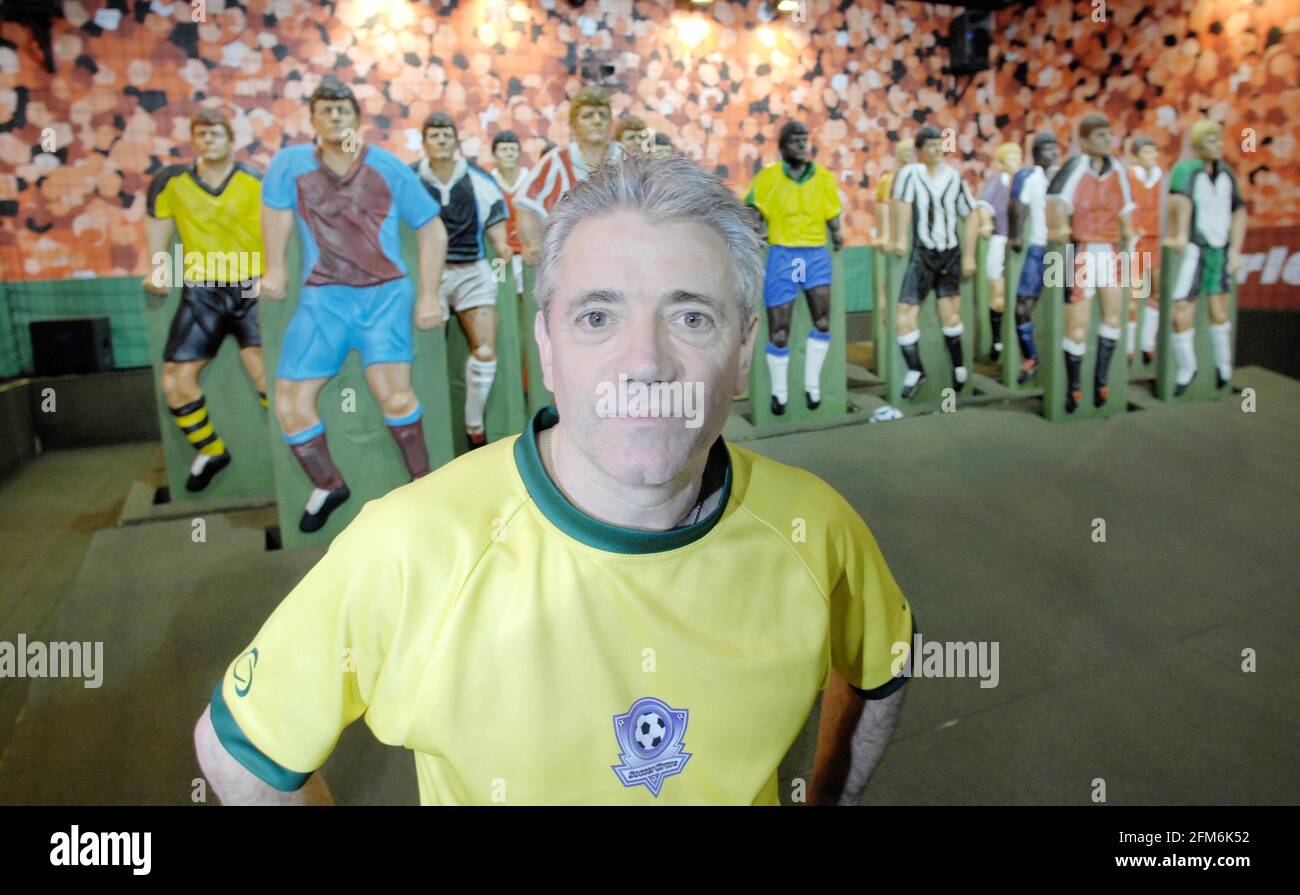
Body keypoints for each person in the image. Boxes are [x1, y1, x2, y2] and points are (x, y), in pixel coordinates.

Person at [194, 155, 914, 806]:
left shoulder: (816, 528)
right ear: (545, 344)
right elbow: (241, 752)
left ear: (744, 344)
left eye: (692, 315)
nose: (644, 363)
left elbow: (881, 665)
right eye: (597, 316)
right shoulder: (409, 543)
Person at [259, 77, 448, 532]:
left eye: (342, 109)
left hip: (384, 296)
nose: (334, 117)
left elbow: (432, 229)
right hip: (323, 298)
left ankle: (423, 484)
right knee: (289, 401)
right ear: (313, 120)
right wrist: (276, 269)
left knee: (395, 392)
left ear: (356, 119)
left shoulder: (388, 167)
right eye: (325, 110)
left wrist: (427, 295)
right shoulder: (290, 166)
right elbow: (277, 213)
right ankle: (328, 484)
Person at [144, 108, 266, 492]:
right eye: (202, 133)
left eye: (216, 133)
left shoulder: (255, 180)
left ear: (231, 139)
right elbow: (159, 222)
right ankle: (211, 450)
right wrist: (158, 265)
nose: (209, 140)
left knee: (270, 377)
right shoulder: (172, 182)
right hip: (202, 288)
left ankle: (289, 448)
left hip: (251, 285)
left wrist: (273, 273)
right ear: (193, 139)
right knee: (176, 379)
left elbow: (279, 226)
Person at [412, 113, 512, 449]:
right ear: (424, 141)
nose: (440, 140)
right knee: (425, 355)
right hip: (429, 273)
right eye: (434, 134)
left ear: (455, 141)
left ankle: (474, 428)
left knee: (485, 351)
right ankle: (430, 430)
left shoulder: (478, 180)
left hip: (472, 269)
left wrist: (502, 245)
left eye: (446, 134)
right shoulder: (409, 179)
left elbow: (496, 218)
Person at [743, 120, 843, 415]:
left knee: (822, 321)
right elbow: (753, 208)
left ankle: (812, 386)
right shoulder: (769, 177)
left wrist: (837, 234)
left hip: (814, 255)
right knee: (779, 331)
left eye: (805, 139)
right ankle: (780, 394)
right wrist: (754, 230)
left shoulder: (823, 178)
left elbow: (833, 214)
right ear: (782, 146)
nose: (801, 145)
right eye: (795, 140)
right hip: (784, 256)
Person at [1047, 112, 1134, 413]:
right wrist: (1059, 231)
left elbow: (1126, 213)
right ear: (1083, 141)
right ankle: (1073, 387)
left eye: (1109, 135)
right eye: (1099, 136)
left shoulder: (1118, 171)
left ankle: (1101, 380)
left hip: (1110, 251)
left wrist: (1130, 239)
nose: (1107, 141)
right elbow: (1055, 203)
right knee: (1078, 328)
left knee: (1113, 318)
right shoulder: (1075, 168)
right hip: (1081, 251)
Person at [889, 125, 978, 399]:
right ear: (919, 151)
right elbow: (901, 204)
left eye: (940, 145)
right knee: (904, 315)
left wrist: (970, 254)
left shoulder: (953, 177)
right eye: (930, 145)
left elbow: (971, 214)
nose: (937, 150)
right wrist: (900, 238)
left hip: (949, 252)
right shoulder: (910, 174)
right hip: (923, 252)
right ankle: (916, 369)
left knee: (950, 313)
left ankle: (960, 368)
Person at [1164, 120, 1247, 396]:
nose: (1218, 146)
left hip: (1219, 251)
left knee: (1219, 311)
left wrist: (1235, 250)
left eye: (1219, 140)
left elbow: (1238, 211)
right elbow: (1179, 202)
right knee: (1181, 311)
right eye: (1211, 140)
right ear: (1198, 143)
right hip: (1194, 250)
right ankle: (1188, 368)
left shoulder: (1227, 174)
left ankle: (1223, 368)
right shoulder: (1186, 171)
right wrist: (1178, 235)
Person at [514, 85, 627, 267]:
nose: (597, 121)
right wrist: (531, 244)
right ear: (573, 126)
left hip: (617, 258)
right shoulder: (557, 161)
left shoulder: (625, 159)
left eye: (602, 115)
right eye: (588, 116)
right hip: (569, 262)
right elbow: (526, 203)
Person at [1006, 132, 1060, 384]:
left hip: (1064, 251)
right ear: (1037, 153)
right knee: (1023, 305)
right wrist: (1015, 236)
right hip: (1039, 248)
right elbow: (1017, 205)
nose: (1053, 154)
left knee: (1066, 306)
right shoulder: (1029, 177)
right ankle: (1031, 357)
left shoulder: (1067, 175)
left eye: (1055, 148)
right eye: (1047, 149)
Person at [976, 142, 1023, 363]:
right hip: (1000, 240)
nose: (1017, 162)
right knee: (999, 295)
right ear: (1002, 163)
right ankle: (997, 340)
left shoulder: (1026, 182)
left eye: (1019, 157)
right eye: (1012, 158)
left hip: (1020, 244)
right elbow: (983, 206)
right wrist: (985, 223)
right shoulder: (997, 181)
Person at [1126, 135, 1164, 365]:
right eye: (1148, 151)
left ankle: (1148, 344)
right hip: (1136, 242)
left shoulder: (1162, 177)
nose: (1153, 156)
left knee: (1156, 293)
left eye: (1154, 151)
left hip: (1156, 239)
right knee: (1134, 294)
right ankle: (1129, 347)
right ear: (1136, 155)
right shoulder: (1128, 177)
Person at [489, 130, 530, 298]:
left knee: (529, 300)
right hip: (498, 257)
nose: (509, 154)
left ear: (519, 154)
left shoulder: (531, 181)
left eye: (513, 150)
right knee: (500, 296)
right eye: (504, 150)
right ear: (494, 154)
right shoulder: (487, 183)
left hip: (527, 255)